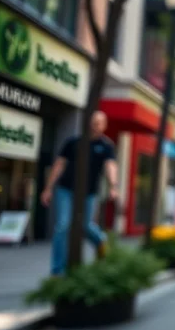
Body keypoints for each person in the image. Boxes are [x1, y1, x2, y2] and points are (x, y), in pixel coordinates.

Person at [40, 111, 119, 275]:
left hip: (89, 193)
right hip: (66, 189)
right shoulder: (73, 142)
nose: (95, 126)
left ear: (104, 126)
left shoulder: (106, 146)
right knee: (63, 225)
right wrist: (48, 188)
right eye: (93, 122)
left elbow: (110, 166)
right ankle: (58, 271)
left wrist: (113, 186)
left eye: (99, 123)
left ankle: (100, 241)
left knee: (86, 226)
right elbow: (59, 165)